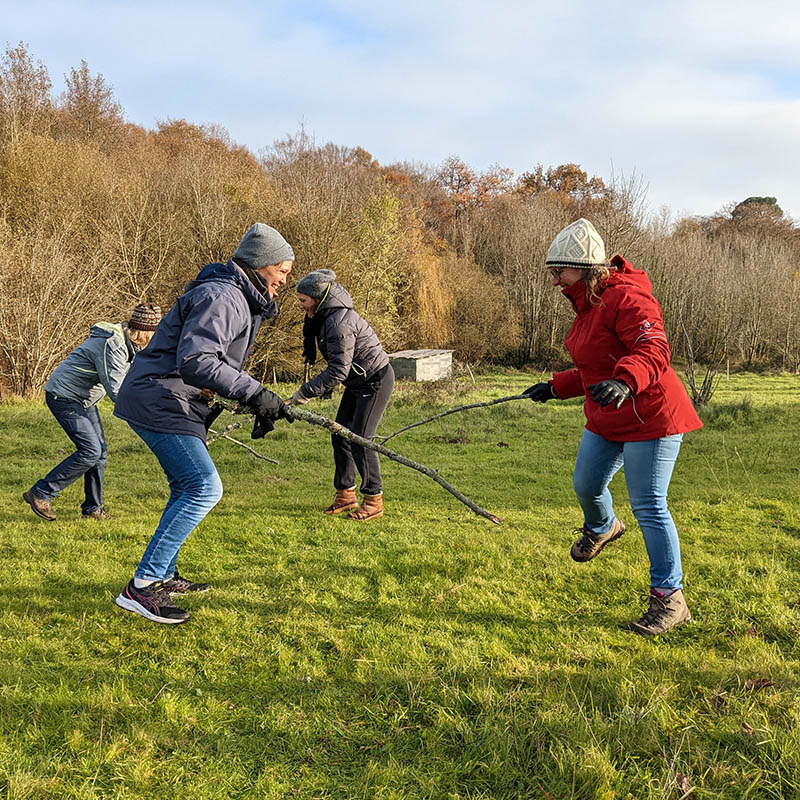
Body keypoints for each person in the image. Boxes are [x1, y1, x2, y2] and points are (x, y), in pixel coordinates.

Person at [525, 218, 702, 636]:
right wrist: (556, 387)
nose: (554, 282)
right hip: (608, 415)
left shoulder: (628, 298)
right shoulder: (587, 306)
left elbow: (653, 349)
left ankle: (670, 599)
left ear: (584, 269)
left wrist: (626, 380)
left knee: (650, 505)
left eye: (559, 272)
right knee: (586, 483)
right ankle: (603, 526)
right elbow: (594, 367)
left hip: (651, 415)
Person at [113, 223, 294, 624]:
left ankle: (164, 575)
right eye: (281, 270)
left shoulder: (234, 296)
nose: (284, 280)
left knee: (185, 486)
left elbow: (213, 366)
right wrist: (252, 391)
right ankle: (141, 587)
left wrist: (254, 403)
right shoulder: (224, 296)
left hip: (170, 398)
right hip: (160, 398)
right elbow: (196, 361)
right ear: (261, 265)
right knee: (203, 486)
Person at [23, 304, 161, 522]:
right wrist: (148, 410)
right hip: (64, 396)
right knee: (90, 451)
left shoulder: (129, 345)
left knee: (100, 453)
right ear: (145, 333)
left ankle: (92, 509)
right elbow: (116, 389)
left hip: (83, 400)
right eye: (155, 334)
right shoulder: (113, 344)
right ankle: (41, 492)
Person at [288, 269, 394, 521]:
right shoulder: (324, 318)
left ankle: (373, 499)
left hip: (374, 381)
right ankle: (346, 495)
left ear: (317, 298)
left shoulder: (339, 323)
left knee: (361, 439)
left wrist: (304, 393)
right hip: (357, 383)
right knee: (340, 435)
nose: (300, 305)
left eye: (303, 300)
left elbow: (337, 371)